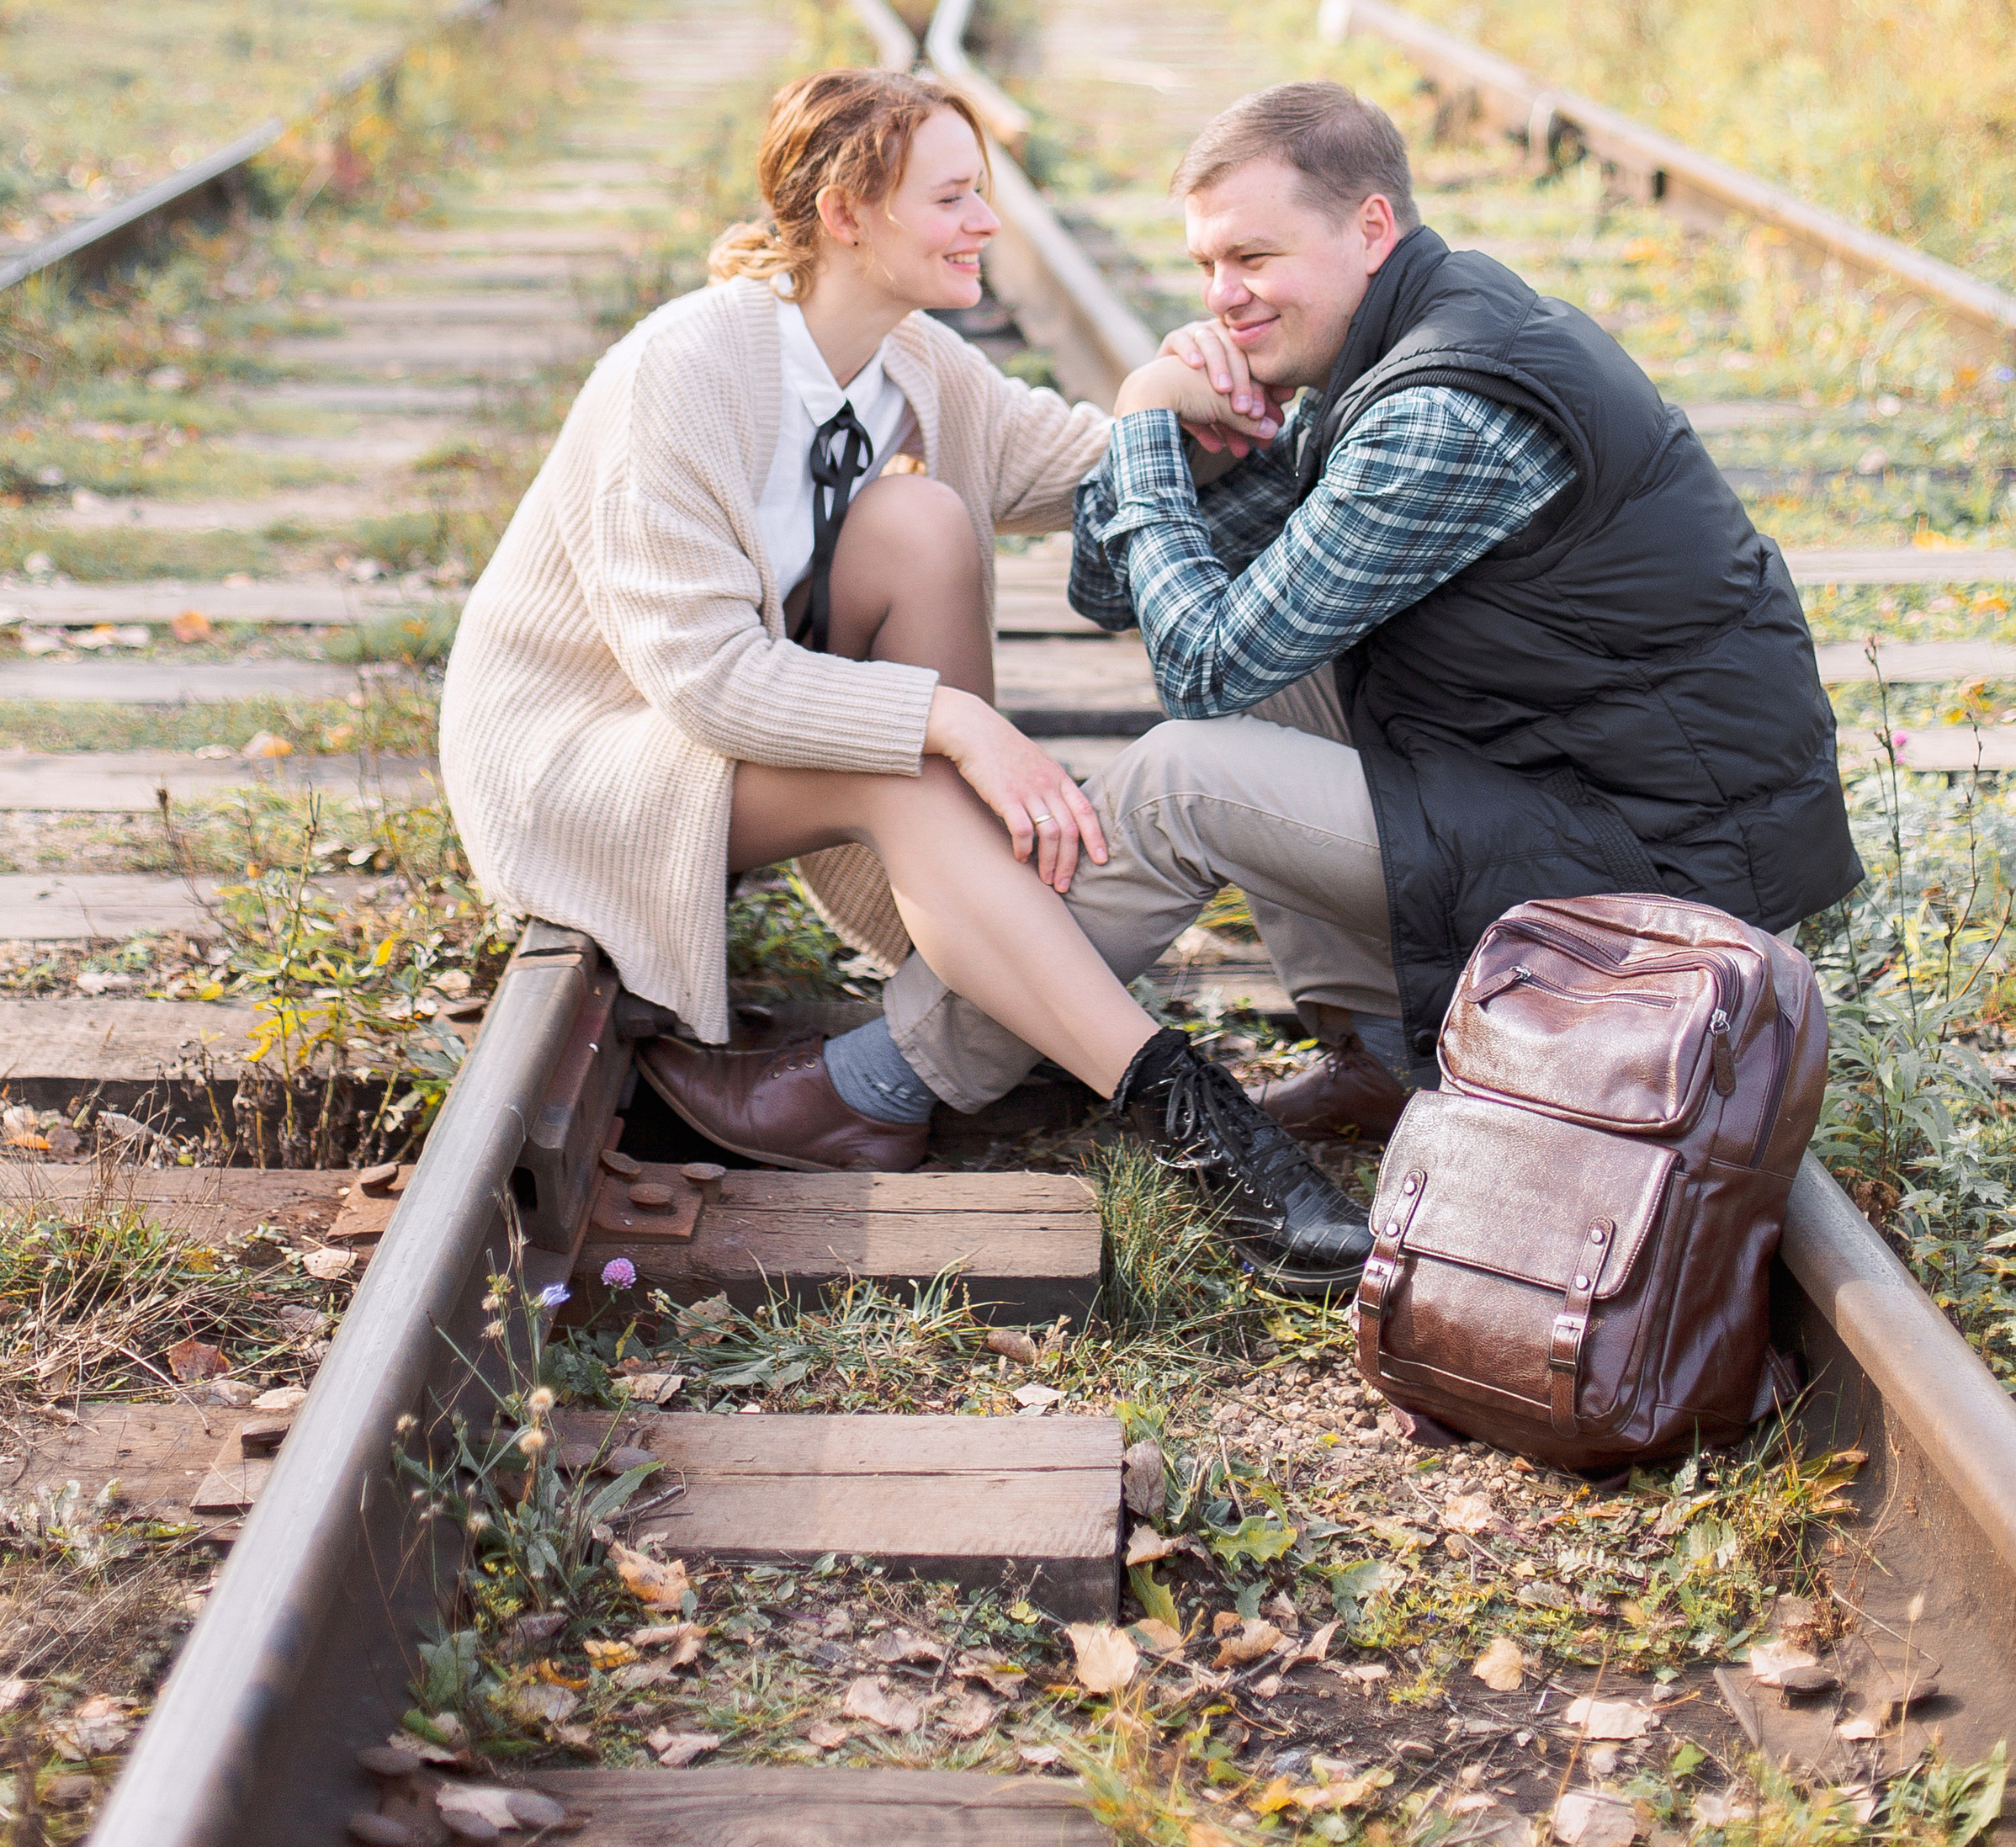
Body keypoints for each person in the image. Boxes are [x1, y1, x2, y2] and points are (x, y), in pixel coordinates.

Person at [439, 69, 1375, 1290]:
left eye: (980, 194)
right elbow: (706, 681)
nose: (986, 222)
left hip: (723, 736)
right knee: (914, 770)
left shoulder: (912, 363)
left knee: (923, 520)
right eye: (952, 198)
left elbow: (1088, 465)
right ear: (846, 212)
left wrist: (1172, 396)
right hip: (587, 758)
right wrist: (955, 724)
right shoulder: (683, 371)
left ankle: (987, 971)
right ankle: (1213, 1140)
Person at [825, 77, 1861, 1154]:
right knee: (1273, 658)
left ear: (1371, 228)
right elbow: (1112, 593)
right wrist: (1180, 442)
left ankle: (885, 1084)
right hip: (1580, 791)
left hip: (1666, 877)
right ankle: (1376, 1057)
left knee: (1184, 776)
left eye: (1254, 259)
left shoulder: (1440, 409)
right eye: (1206, 267)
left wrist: (1136, 419)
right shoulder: (1399, 340)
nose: (1222, 297)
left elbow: (1199, 671)